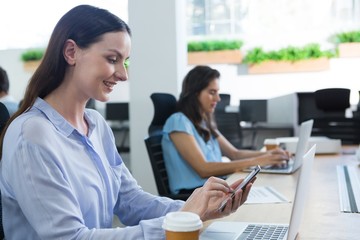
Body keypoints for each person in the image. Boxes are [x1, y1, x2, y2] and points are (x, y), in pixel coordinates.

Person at [0, 5, 253, 239]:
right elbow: (71, 237)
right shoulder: (31, 135)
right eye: (112, 59)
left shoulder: (96, 125)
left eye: (125, 61)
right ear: (71, 52)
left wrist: (200, 208)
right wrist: (184, 217)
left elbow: (130, 200)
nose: (123, 74)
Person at [162, 65, 291, 194]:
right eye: (212, 92)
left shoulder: (204, 123)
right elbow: (204, 169)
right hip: (194, 194)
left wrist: (270, 155)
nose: (218, 98)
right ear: (195, 94)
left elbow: (234, 154)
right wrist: (258, 161)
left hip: (214, 189)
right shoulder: (178, 121)